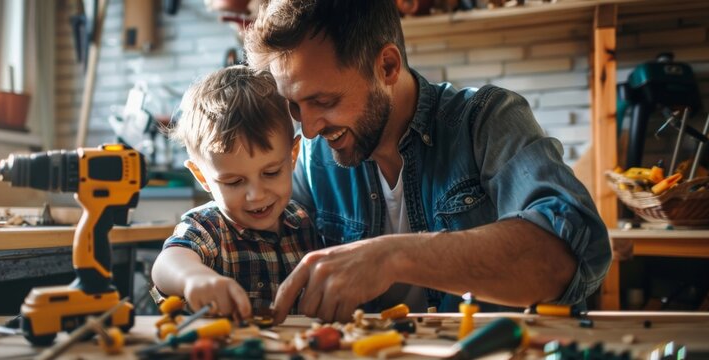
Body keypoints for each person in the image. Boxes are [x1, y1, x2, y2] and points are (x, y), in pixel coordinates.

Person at [243, 0, 612, 323]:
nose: (308, 129)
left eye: (324, 101)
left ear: (387, 66)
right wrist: (188, 265)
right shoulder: (313, 155)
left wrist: (392, 256)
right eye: (294, 105)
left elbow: (568, 255)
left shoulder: (486, 119)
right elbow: (249, 240)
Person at [151, 65, 320, 319]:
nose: (256, 195)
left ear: (293, 156)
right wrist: (194, 278)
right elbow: (166, 264)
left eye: (271, 172)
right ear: (202, 177)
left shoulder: (302, 223)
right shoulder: (207, 227)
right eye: (234, 182)